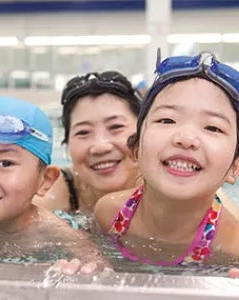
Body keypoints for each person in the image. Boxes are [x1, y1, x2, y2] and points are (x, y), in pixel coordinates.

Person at [94, 51, 239, 267]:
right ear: (135, 148)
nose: (187, 138)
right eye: (167, 120)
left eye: (213, 127)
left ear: (234, 168)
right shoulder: (108, 213)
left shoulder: (231, 245)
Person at [0, 95, 109, 274]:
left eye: (5, 163)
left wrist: (80, 271)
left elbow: (106, 276)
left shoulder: (57, 236)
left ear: (45, 180)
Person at [36, 71, 142, 217]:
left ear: (144, 132)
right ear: (67, 143)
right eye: (83, 132)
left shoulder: (165, 186)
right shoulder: (61, 191)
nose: (100, 147)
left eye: (116, 127)